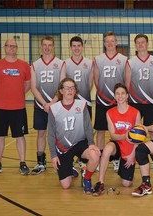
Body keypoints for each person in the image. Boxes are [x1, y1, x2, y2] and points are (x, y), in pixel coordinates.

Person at [48, 77, 100, 192]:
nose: (70, 91)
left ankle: (87, 178)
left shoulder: (82, 105)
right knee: (65, 185)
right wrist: (53, 155)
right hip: (63, 148)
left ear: (75, 90)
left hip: (80, 143)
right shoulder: (54, 109)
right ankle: (71, 170)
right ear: (61, 91)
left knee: (95, 155)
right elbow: (51, 134)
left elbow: (88, 127)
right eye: (67, 88)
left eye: (72, 88)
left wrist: (91, 144)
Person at [0, 39, 31, 176]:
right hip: (1, 107)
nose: (12, 48)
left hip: (18, 107)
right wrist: (1, 95)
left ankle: (23, 163)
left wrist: (17, 95)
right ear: (4, 47)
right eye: (9, 46)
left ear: (17, 48)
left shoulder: (24, 65)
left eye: (14, 46)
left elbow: (28, 84)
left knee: (20, 136)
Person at [93, 83, 141, 196]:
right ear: (114, 96)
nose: (120, 96)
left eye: (123, 93)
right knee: (107, 149)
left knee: (126, 184)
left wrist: (132, 155)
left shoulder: (136, 113)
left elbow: (139, 138)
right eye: (117, 94)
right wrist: (126, 135)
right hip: (117, 144)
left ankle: (123, 168)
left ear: (127, 95)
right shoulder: (109, 113)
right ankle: (100, 182)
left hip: (129, 148)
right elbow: (113, 135)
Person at [125, 33, 153, 174]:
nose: (141, 45)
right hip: (135, 102)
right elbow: (127, 83)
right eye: (138, 43)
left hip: (151, 102)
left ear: (147, 44)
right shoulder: (131, 62)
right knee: (134, 133)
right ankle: (132, 160)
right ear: (136, 45)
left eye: (143, 42)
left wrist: (149, 94)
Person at [93, 31, 128, 172]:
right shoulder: (98, 59)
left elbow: (126, 81)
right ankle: (100, 158)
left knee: (118, 131)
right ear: (104, 43)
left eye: (112, 41)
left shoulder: (123, 59)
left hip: (118, 101)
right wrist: (103, 93)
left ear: (116, 42)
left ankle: (116, 159)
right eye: (107, 41)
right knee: (100, 131)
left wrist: (121, 98)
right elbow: (96, 79)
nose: (110, 43)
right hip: (102, 100)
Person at [30, 36, 65, 175]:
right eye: (44, 45)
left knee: (59, 134)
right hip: (40, 105)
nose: (47, 47)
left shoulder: (60, 63)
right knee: (41, 133)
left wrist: (53, 102)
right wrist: (45, 103)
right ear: (41, 46)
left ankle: (62, 160)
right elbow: (33, 87)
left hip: (56, 106)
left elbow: (62, 86)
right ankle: (41, 162)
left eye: (50, 45)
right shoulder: (35, 65)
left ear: (53, 46)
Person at [63, 36, 93, 177]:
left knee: (85, 132)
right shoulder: (66, 64)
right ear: (70, 47)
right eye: (73, 46)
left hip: (85, 104)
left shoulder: (89, 63)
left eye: (78, 46)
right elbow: (63, 83)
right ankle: (70, 160)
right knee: (71, 132)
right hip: (70, 105)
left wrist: (82, 99)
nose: (76, 48)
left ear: (82, 47)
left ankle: (82, 159)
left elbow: (91, 83)